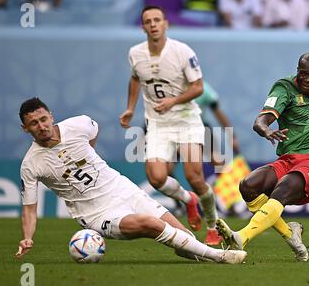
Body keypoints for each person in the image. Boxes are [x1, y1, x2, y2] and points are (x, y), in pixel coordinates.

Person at [14, 98, 247, 264]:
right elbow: (30, 210)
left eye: (43, 119)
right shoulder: (31, 164)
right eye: (34, 124)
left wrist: (90, 160)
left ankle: (190, 249)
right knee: (151, 225)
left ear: (50, 115)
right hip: (97, 214)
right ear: (26, 129)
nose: (42, 126)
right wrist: (27, 237)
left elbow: (93, 133)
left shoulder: (79, 124)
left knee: (186, 238)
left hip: (122, 188)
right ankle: (221, 257)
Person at [216, 52, 309, 261]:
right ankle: (292, 235)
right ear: (297, 70)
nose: (306, 79)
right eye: (303, 73)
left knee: (284, 186)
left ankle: (241, 237)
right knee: (248, 185)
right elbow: (261, 120)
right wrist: (266, 130)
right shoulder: (284, 88)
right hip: (289, 159)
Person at [119, 5, 222, 245]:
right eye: (148, 21)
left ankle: (213, 226)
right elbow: (135, 78)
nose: (153, 24)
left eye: (157, 20)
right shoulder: (135, 53)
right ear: (143, 26)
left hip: (187, 121)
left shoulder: (182, 51)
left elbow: (197, 87)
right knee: (155, 177)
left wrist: (173, 101)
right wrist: (130, 108)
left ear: (166, 24)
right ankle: (189, 200)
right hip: (157, 124)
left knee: (194, 176)